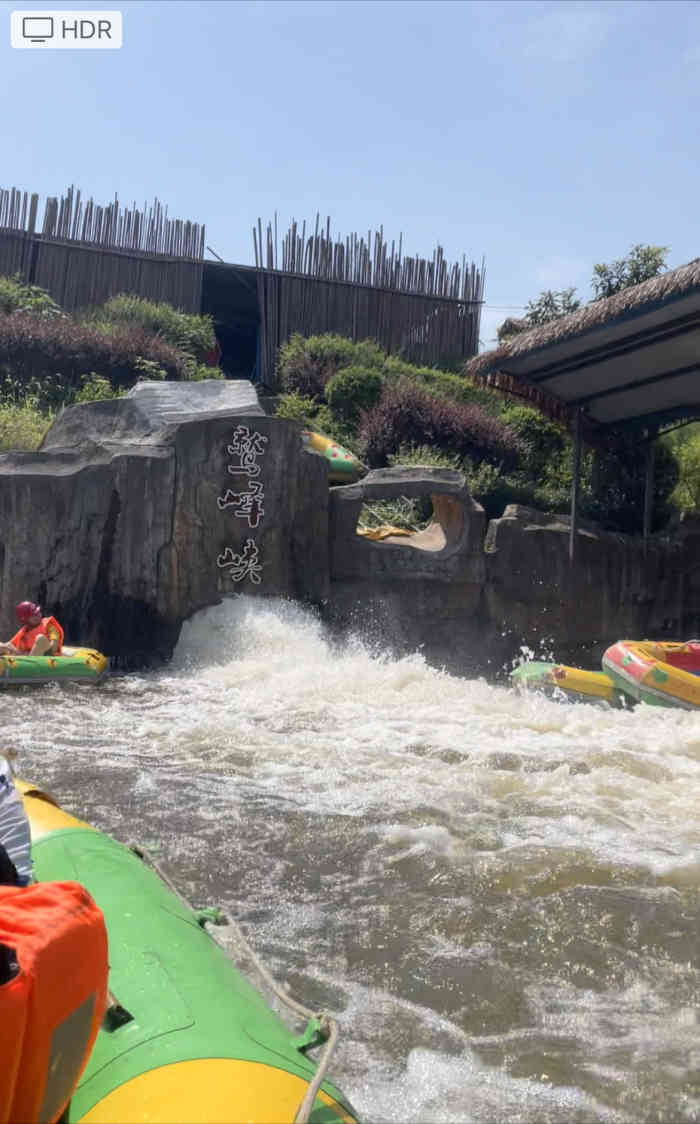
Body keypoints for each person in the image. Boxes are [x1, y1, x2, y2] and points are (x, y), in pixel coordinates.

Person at [0, 601, 64, 657]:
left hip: (49, 660)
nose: (38, 615)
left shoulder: (49, 626)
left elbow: (54, 647)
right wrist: (7, 648)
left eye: (38, 612)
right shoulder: (23, 632)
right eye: (34, 615)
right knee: (2, 645)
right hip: (29, 658)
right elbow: (9, 645)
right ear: (25, 620)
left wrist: (21, 653)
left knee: (40, 639)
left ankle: (29, 666)